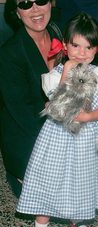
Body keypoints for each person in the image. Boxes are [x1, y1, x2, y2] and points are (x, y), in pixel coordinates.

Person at [16, 12, 98, 227]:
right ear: (65, 46)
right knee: (52, 178)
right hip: (59, 136)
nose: (82, 53)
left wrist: (88, 116)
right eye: (76, 46)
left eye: (88, 47)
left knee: (84, 177)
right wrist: (68, 71)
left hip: (89, 135)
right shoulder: (55, 74)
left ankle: (77, 216)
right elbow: (58, 102)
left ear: (96, 49)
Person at [0, 0, 62, 198]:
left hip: (59, 118)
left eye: (41, 1)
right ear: (17, 13)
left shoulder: (57, 34)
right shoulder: (10, 52)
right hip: (27, 128)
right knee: (46, 199)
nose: (35, 9)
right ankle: (17, 174)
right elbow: (20, 110)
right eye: (25, 4)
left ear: (50, 4)